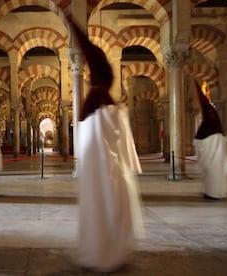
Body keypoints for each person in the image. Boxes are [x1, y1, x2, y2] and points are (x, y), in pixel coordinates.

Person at [70, 19, 144, 272]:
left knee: (99, 210)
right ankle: (108, 251)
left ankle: (101, 252)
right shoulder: (105, 102)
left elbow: (94, 145)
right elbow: (113, 141)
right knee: (109, 209)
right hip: (109, 173)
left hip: (100, 174)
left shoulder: (95, 102)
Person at [193, 82, 227, 200]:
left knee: (213, 170)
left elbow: (204, 135)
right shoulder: (211, 118)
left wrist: (198, 141)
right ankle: (212, 192)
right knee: (213, 171)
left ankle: (213, 193)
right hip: (216, 144)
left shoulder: (209, 117)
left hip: (214, 145)